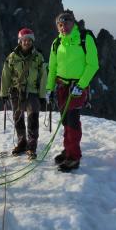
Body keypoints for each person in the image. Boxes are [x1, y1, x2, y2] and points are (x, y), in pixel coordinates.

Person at [46, 10, 99, 172]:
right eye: (60, 25)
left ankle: (74, 157)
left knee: (72, 120)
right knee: (66, 120)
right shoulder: (57, 43)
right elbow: (53, 68)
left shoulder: (85, 38)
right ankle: (68, 149)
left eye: (66, 23)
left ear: (73, 23)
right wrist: (49, 88)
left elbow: (93, 65)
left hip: (77, 87)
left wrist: (81, 85)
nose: (63, 27)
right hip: (62, 87)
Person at [0, 28, 47, 159]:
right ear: (20, 41)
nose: (26, 42)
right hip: (16, 92)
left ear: (32, 41)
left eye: (29, 40)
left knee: (33, 119)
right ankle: (22, 143)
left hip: (32, 92)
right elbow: (6, 75)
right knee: (18, 119)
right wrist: (3, 93)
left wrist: (42, 95)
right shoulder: (12, 57)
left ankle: (31, 147)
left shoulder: (38, 57)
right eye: (24, 40)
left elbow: (43, 76)